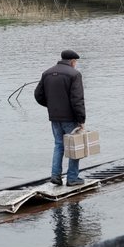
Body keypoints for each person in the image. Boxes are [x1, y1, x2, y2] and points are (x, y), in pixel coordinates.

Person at [34, 49, 86, 186]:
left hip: (54, 117)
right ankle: (72, 178)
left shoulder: (47, 73)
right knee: (74, 146)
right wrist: (81, 120)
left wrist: (51, 106)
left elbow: (38, 95)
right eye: (76, 62)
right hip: (70, 118)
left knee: (59, 145)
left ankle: (55, 176)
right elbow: (77, 99)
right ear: (73, 61)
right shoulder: (74, 74)